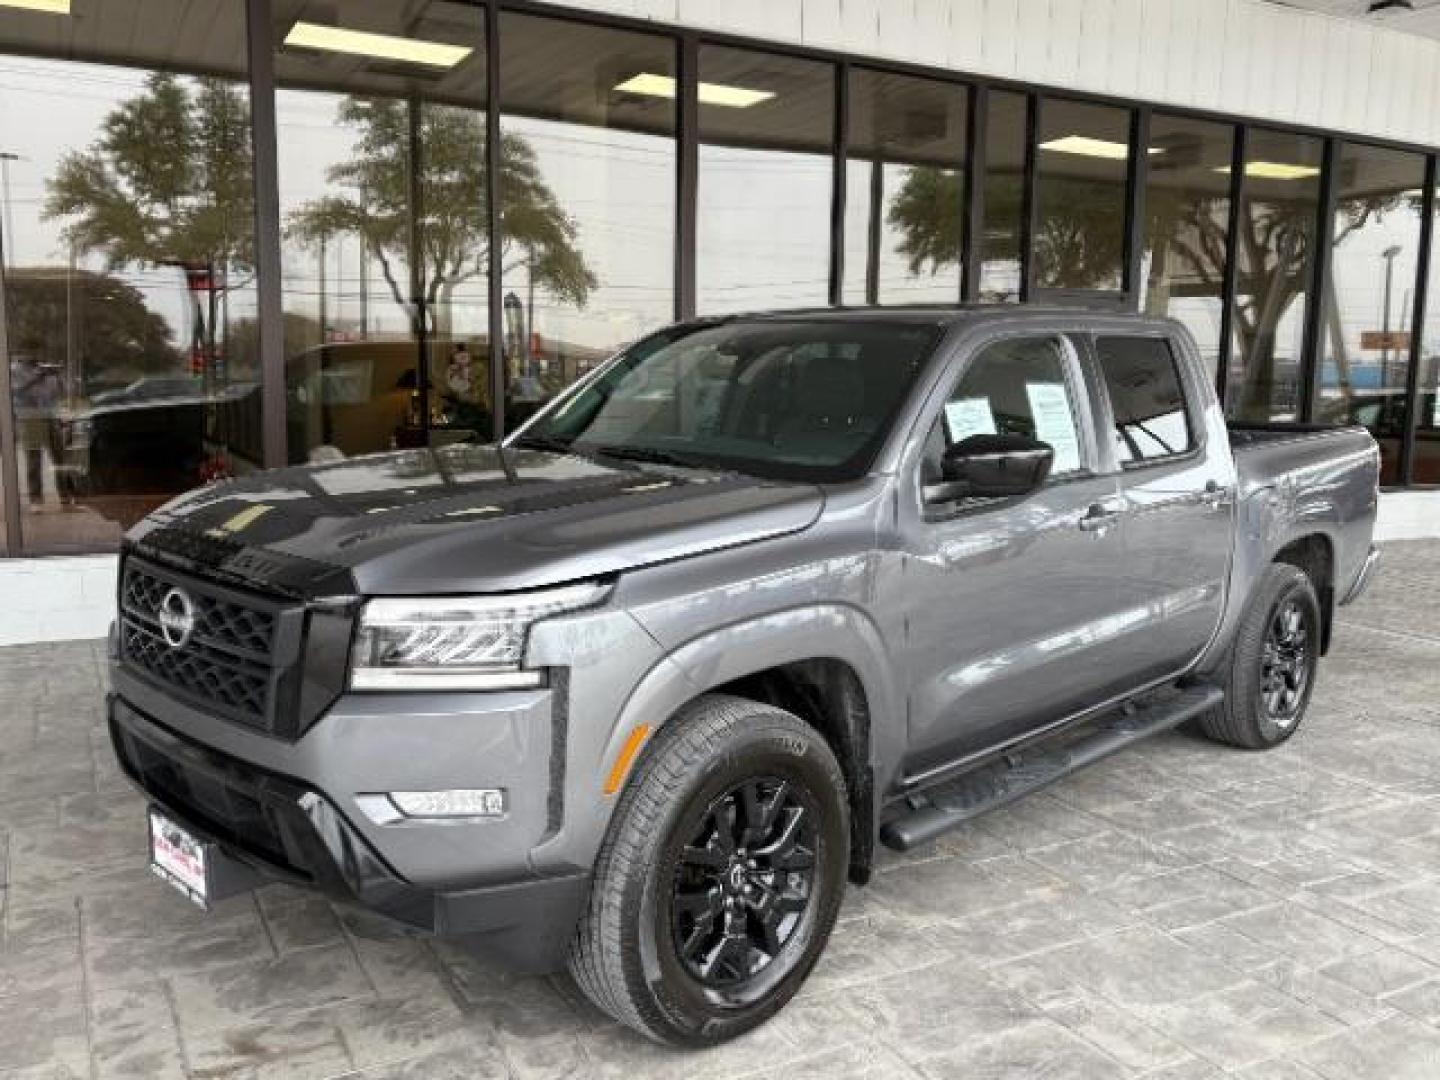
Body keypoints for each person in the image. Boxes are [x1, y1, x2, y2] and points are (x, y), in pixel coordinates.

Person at [11, 356, 63, 506]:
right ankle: (36, 499)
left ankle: (66, 495)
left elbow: (58, 394)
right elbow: (15, 391)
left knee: (60, 457)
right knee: (34, 460)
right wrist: (37, 377)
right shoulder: (15, 369)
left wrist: (57, 376)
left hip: (51, 416)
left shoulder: (45, 369)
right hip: (30, 417)